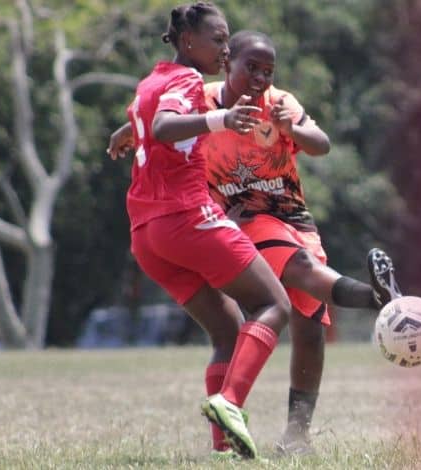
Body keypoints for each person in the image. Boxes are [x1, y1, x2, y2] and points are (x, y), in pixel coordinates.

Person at [110, 29, 404, 456]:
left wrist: (293, 128)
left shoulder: (280, 103)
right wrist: (127, 131)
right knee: (301, 273)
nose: (261, 78)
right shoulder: (202, 98)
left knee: (310, 325)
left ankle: (297, 435)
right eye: (252, 67)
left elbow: (321, 145)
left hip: (294, 218)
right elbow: (160, 119)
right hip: (243, 218)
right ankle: (378, 298)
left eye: (268, 71)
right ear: (228, 62)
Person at [111, 2, 291, 459]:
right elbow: (164, 125)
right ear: (188, 41)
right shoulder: (188, 80)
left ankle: (223, 448)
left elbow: (146, 119)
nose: (226, 49)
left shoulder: (153, 79)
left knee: (228, 331)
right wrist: (221, 120)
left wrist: (124, 133)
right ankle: (230, 401)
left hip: (147, 235)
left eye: (228, 40)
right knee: (273, 305)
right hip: (187, 217)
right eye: (218, 39)